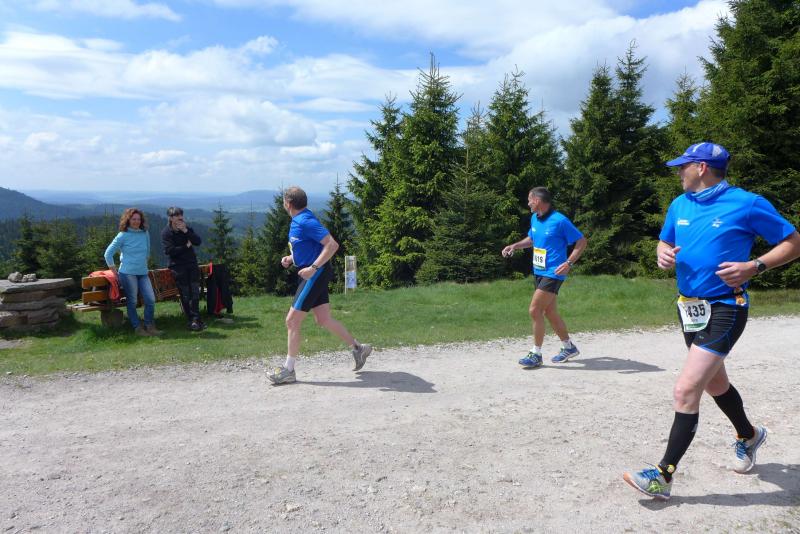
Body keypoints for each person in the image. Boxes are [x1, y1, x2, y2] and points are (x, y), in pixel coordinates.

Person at [623, 142, 800, 500]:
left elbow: (794, 242)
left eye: (683, 166)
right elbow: (664, 240)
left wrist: (755, 266)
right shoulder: (679, 204)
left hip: (726, 306)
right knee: (714, 384)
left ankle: (663, 476)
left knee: (686, 389)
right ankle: (750, 435)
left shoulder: (746, 203)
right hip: (689, 307)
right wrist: (662, 253)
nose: (679, 172)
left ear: (701, 167)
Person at [268, 186, 372, 385]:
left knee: (292, 321)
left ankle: (289, 370)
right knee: (323, 319)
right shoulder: (300, 220)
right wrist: (292, 258)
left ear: (288, 204)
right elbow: (310, 247)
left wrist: (313, 268)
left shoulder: (305, 221)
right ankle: (359, 349)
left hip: (314, 275)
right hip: (314, 272)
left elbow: (332, 245)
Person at [501, 186, 587, 368]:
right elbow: (532, 239)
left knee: (534, 310)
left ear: (537, 201)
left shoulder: (560, 220)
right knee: (549, 312)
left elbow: (581, 241)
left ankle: (536, 354)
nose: (528, 203)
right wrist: (514, 246)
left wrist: (569, 263)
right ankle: (569, 347)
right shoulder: (535, 218)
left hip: (554, 273)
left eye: (529, 200)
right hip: (539, 272)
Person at [104, 208, 163, 336]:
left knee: (150, 300)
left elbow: (147, 252)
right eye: (133, 219)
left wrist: (142, 263)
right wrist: (114, 271)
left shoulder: (145, 233)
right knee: (132, 301)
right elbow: (108, 254)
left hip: (143, 272)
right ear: (128, 220)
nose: (136, 221)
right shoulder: (122, 235)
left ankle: (149, 326)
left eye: (138, 219)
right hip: (127, 273)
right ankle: (137, 328)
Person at [162, 206, 205, 332]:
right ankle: (192, 320)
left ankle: (196, 320)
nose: (180, 217)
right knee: (185, 294)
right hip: (178, 267)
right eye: (176, 215)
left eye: (181, 215)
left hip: (192, 264)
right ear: (170, 218)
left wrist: (186, 231)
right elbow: (170, 251)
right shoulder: (166, 232)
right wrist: (186, 247)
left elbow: (198, 241)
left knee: (195, 292)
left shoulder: (186, 229)